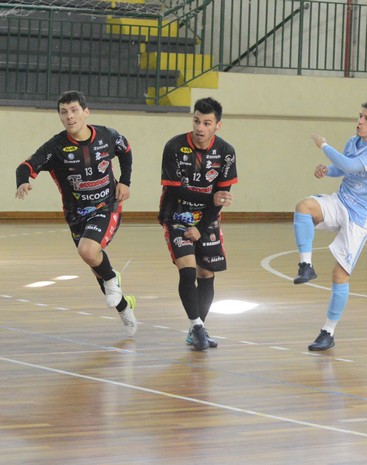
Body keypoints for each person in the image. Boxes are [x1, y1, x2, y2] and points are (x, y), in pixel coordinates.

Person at [15, 90, 137, 336]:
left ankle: (113, 279)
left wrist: (125, 181)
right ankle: (125, 307)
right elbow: (26, 165)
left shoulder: (107, 135)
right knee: (95, 265)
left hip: (107, 206)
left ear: (86, 112)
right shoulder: (56, 146)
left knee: (88, 251)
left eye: (74, 111)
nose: (69, 116)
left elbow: (125, 150)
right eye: (64, 112)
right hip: (76, 216)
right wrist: (23, 181)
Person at [293, 100, 367, 351]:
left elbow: (351, 166)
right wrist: (327, 170)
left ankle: (328, 332)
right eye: (360, 116)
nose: (360, 121)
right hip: (341, 201)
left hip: (361, 216)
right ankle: (306, 266)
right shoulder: (353, 142)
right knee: (304, 207)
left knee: (340, 275)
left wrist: (324, 146)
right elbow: (343, 168)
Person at [159, 97, 237, 351]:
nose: (200, 128)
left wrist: (201, 228)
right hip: (177, 214)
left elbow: (221, 198)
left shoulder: (226, 152)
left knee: (206, 274)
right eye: (196, 121)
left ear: (218, 125)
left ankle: (197, 329)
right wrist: (208, 199)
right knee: (188, 270)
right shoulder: (174, 146)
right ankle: (196, 326)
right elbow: (174, 191)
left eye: (206, 123)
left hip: (207, 217)